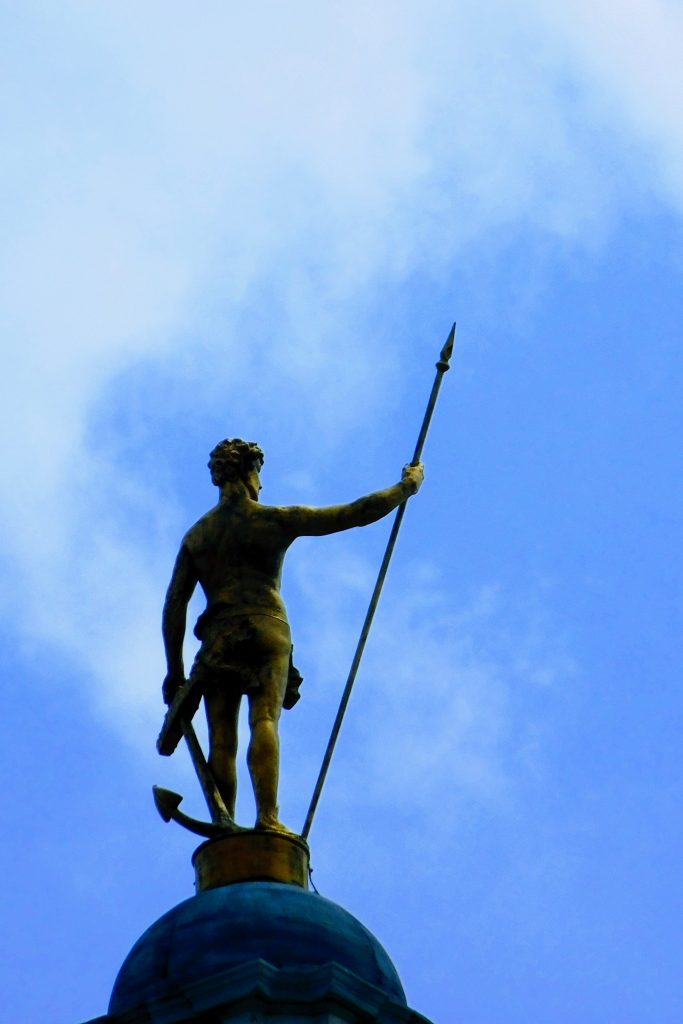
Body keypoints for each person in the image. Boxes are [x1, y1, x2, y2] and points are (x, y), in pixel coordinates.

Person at [162, 438, 424, 833]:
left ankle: (225, 826)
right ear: (250, 473)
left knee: (222, 741)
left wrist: (174, 670)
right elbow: (355, 513)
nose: (261, 486)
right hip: (267, 628)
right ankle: (268, 818)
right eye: (260, 475)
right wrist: (407, 487)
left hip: (218, 638)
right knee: (264, 719)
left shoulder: (197, 537)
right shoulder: (273, 519)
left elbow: (174, 607)